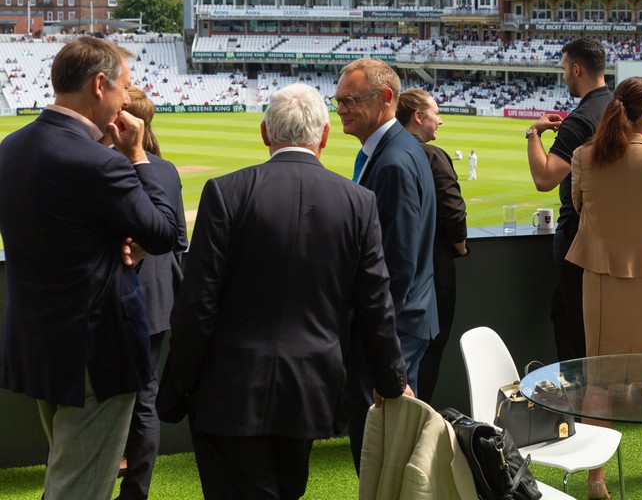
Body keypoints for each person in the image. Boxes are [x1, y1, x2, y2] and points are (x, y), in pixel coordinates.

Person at [165, 84, 408, 498]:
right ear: (325, 136)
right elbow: (376, 306)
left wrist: (180, 384)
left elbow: (197, 304)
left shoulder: (226, 193)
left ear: (265, 132)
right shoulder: (358, 201)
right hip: (311, 390)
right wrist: (393, 381)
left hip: (231, 390)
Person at [0, 36, 180, 500]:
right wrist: (138, 154)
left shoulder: (11, 148)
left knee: (65, 471)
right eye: (124, 88)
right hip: (96, 353)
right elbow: (164, 233)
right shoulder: (100, 163)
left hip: (37, 343)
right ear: (100, 85)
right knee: (79, 489)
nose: (127, 100)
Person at [568, 76, 642, 500]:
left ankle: (595, 479)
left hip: (600, 277)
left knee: (599, 380)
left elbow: (580, 207)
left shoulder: (583, 156)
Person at [334, 57, 437, 470]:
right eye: (338, 100)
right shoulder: (397, 151)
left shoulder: (393, 162)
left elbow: (396, 265)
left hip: (394, 329)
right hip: (404, 323)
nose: (341, 108)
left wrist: (383, 350)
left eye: (351, 100)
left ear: (386, 100)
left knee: (380, 453)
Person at [115, 88, 188, 500]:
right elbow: (178, 239)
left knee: (117, 399)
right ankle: (136, 490)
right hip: (161, 300)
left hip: (121, 299)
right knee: (145, 399)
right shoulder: (166, 169)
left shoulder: (111, 166)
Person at [526, 38, 613, 362]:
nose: (563, 77)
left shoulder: (581, 119)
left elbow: (545, 178)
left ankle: (581, 406)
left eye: (564, 70)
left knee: (574, 325)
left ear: (577, 69)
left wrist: (533, 134)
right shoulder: (617, 108)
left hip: (578, 234)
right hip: (612, 233)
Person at [396, 88, 469, 405]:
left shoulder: (386, 152)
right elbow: (454, 212)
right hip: (432, 270)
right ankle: (418, 421)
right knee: (429, 349)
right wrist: (461, 246)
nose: (440, 120)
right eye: (435, 113)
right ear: (418, 116)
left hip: (398, 272)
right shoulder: (431, 155)